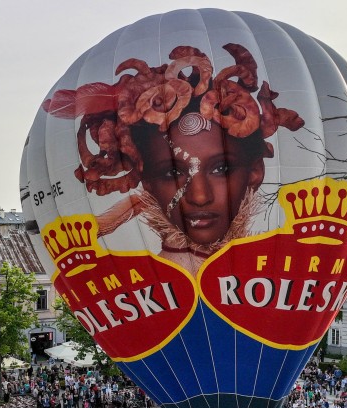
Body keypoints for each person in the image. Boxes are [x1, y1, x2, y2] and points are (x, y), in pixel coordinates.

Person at [47, 45, 304, 277]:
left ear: (255, 172)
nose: (199, 196)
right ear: (147, 184)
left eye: (221, 168)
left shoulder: (282, 262)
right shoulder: (151, 275)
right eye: (171, 173)